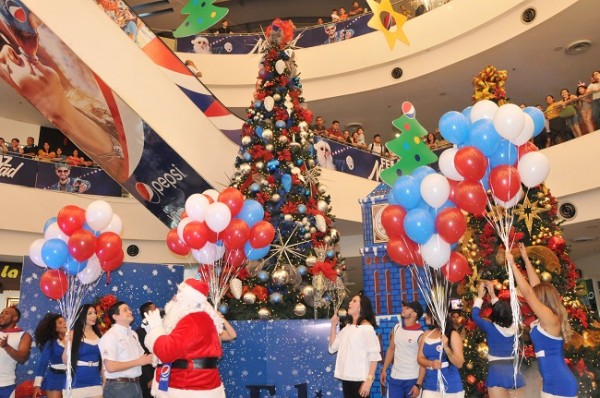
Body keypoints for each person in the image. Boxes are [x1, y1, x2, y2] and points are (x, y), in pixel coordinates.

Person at [507, 244, 578, 398]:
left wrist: (512, 265)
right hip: (549, 383)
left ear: (542, 299)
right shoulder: (545, 317)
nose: (534, 298)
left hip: (562, 383)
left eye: (537, 296)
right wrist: (526, 259)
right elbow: (535, 287)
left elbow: (528, 293)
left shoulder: (551, 318)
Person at [143, 278, 225, 397]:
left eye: (178, 294)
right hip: (191, 385)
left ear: (187, 300)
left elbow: (166, 352)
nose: (173, 298)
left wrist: (156, 329)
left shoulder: (193, 320)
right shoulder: (200, 319)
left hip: (187, 385)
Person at [473, 281, 525, 397]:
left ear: (494, 314)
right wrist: (492, 294)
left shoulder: (490, 327)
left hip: (497, 371)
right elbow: (502, 312)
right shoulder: (515, 327)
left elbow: (475, 315)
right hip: (514, 370)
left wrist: (480, 296)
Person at [329, 294, 381, 398]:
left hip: (360, 380)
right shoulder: (347, 328)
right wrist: (333, 326)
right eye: (351, 301)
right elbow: (332, 348)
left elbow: (374, 357)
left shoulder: (366, 328)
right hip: (347, 379)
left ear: (361, 306)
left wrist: (368, 381)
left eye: (354, 301)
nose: (350, 303)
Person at [99, 301, 153, 398]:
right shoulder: (110, 336)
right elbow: (110, 367)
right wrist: (138, 362)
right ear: (115, 316)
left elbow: (144, 358)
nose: (130, 312)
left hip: (136, 384)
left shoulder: (133, 334)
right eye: (125, 310)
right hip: (119, 387)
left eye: (129, 309)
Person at [380, 300, 425, 398]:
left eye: (407, 308)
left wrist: (418, 384)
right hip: (395, 379)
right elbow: (391, 349)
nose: (403, 309)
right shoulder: (396, 328)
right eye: (404, 307)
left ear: (414, 314)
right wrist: (384, 369)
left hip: (412, 379)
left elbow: (423, 361)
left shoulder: (421, 334)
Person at [417, 307, 464, 397]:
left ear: (435, 316)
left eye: (427, 314)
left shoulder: (453, 335)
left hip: (451, 386)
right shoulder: (426, 334)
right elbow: (420, 358)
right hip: (430, 384)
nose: (425, 316)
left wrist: (446, 347)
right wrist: (431, 363)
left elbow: (459, 363)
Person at [65, 304, 103, 398]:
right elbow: (65, 360)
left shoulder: (100, 335)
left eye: (94, 313)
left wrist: (105, 381)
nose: (93, 316)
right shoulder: (72, 334)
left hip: (95, 380)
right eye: (89, 313)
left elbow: (103, 361)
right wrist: (67, 344)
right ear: (82, 316)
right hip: (77, 381)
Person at [0, 306, 32, 398]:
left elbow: (23, 358)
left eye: (6, 313)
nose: (2, 315)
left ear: (15, 318)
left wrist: (6, 346)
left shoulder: (23, 335)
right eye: (2, 313)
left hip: (6, 386)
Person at [33, 313, 67, 398]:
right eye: (60, 322)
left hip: (71, 378)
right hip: (54, 378)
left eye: (65, 321)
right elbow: (42, 363)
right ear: (55, 328)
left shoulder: (74, 340)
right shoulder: (50, 343)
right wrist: (37, 385)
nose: (64, 323)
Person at [136, 302, 157, 398]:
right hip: (150, 377)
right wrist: (149, 378)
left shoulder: (161, 328)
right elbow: (142, 356)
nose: (158, 311)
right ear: (148, 313)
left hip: (165, 374)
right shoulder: (139, 333)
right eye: (155, 309)